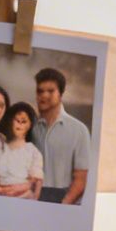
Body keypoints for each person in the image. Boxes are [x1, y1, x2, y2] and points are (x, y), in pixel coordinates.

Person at [30, 67, 91, 204]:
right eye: (40, 91)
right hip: (32, 200)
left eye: (50, 91)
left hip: (63, 201)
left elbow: (81, 178)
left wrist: (62, 207)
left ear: (60, 94)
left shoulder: (79, 130)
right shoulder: (31, 128)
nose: (44, 96)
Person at [0, 102, 44, 199]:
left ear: (30, 125)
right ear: (10, 121)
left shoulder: (32, 152)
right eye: (17, 120)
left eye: (24, 121)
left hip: (22, 197)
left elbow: (37, 184)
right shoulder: (0, 146)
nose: (20, 124)